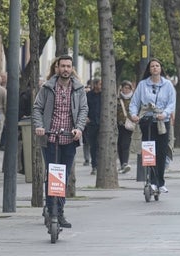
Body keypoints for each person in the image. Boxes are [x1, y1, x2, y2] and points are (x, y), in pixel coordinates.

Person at [33, 55, 88, 228]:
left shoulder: (78, 89)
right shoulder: (48, 87)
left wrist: (79, 128)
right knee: (52, 176)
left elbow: (83, 110)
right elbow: (37, 108)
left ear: (72, 68)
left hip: (69, 139)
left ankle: (60, 211)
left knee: (62, 177)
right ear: (57, 68)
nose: (65, 69)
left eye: (68, 66)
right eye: (62, 66)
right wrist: (40, 126)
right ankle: (51, 210)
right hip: (50, 138)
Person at [129, 58, 176, 193]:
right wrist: (134, 115)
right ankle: (150, 179)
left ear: (161, 68)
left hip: (162, 122)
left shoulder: (168, 85)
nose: (155, 68)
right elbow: (134, 102)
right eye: (152, 66)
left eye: (157, 66)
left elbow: (171, 103)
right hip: (147, 121)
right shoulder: (143, 85)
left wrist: (165, 113)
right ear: (149, 69)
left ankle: (160, 182)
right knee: (149, 152)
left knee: (161, 152)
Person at [117, 80, 134, 174]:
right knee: (119, 144)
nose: (126, 90)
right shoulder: (117, 98)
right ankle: (122, 164)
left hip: (129, 125)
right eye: (124, 88)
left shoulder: (134, 99)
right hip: (119, 124)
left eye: (128, 88)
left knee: (125, 144)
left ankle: (125, 163)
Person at [86, 78, 102, 175]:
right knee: (93, 146)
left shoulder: (104, 95)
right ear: (95, 85)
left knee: (101, 145)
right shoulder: (89, 95)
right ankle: (94, 165)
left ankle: (100, 164)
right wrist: (86, 117)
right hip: (92, 123)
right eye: (100, 84)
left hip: (102, 123)